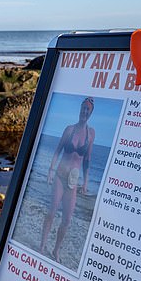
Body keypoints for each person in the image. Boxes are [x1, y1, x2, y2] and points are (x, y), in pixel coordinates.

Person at [40, 97, 96, 263]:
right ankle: (42, 246)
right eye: (83, 108)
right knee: (51, 212)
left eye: (88, 110)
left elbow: (87, 160)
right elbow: (57, 151)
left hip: (73, 182)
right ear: (80, 110)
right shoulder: (69, 129)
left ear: (90, 113)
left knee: (67, 220)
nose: (84, 112)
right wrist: (50, 170)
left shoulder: (91, 134)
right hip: (60, 175)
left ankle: (56, 250)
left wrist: (85, 182)